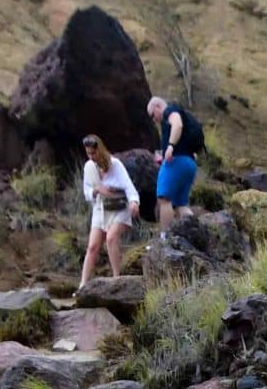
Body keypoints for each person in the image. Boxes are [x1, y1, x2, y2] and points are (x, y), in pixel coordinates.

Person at [78, 135, 140, 285]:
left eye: (93, 153)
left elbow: (128, 185)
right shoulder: (89, 167)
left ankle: (116, 278)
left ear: (100, 150)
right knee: (93, 246)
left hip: (118, 207)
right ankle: (82, 284)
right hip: (100, 207)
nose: (91, 157)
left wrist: (134, 202)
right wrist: (97, 191)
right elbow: (87, 191)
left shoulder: (115, 164)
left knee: (111, 238)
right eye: (88, 154)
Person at [145, 94, 206, 221]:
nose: (153, 120)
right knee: (180, 204)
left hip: (176, 161)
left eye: (152, 115)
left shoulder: (169, 111)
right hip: (189, 163)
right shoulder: (178, 115)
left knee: (164, 199)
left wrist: (171, 146)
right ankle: (195, 231)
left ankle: (165, 237)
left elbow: (177, 124)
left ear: (158, 106)